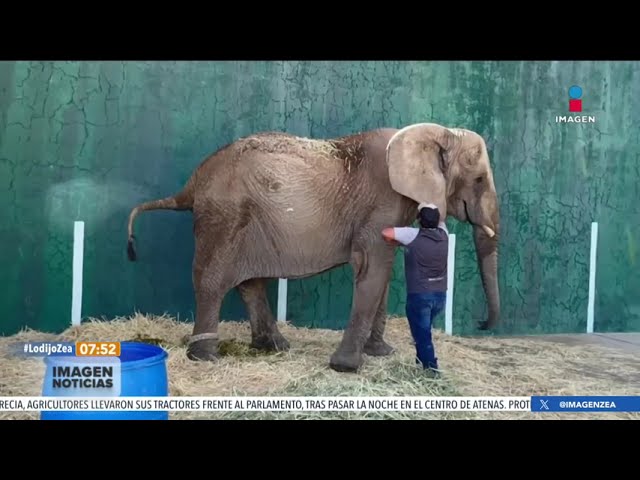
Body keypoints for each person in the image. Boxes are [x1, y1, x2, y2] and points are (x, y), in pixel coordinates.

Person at [381, 203, 449, 375]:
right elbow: (441, 221)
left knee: (423, 336)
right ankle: (420, 362)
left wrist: (396, 242)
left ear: (418, 219)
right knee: (422, 332)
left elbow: (386, 233)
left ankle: (431, 371)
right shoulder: (444, 234)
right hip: (440, 296)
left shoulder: (412, 235)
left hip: (420, 296)